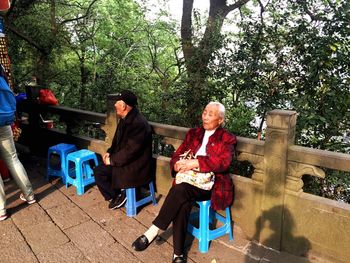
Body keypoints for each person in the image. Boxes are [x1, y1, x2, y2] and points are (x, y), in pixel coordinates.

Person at [132, 102, 237, 263]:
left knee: (180, 192)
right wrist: (177, 164)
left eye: (211, 114)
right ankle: (178, 254)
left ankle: (153, 231)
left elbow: (223, 162)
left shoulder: (227, 138)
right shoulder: (194, 133)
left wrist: (196, 163)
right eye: (204, 112)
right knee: (183, 200)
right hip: (187, 181)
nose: (205, 116)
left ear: (220, 120)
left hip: (210, 185)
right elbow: (178, 153)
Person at [93, 90, 153, 210]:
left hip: (137, 164)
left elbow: (131, 151)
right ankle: (116, 195)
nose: (115, 105)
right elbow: (116, 141)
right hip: (124, 158)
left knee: (110, 170)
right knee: (99, 170)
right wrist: (109, 152)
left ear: (124, 106)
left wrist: (113, 160)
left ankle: (124, 193)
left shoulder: (138, 123)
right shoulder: (124, 118)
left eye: (117, 102)